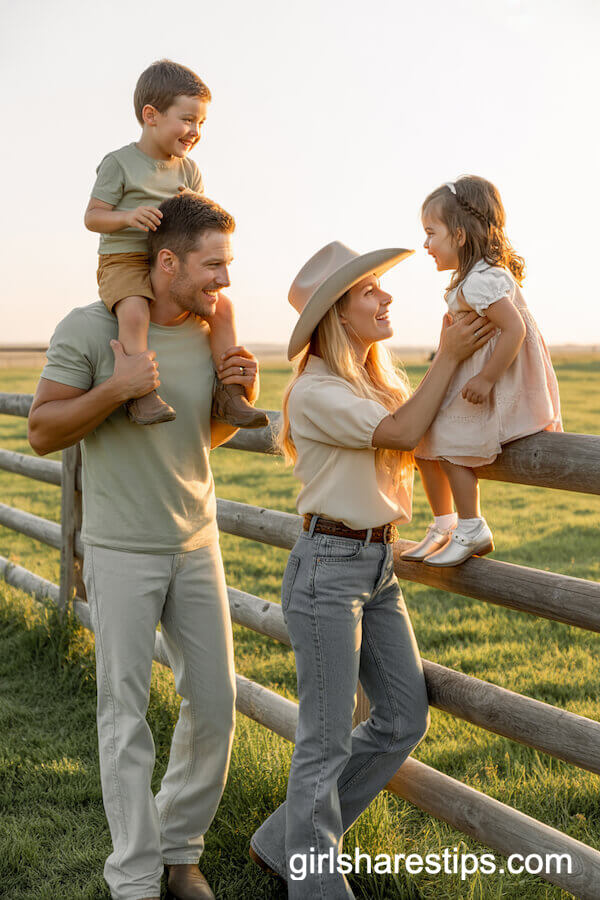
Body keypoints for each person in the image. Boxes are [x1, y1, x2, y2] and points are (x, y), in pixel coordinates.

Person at [28, 192, 262, 900]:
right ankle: (133, 877)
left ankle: (178, 850)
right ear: (166, 262)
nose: (224, 279)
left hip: (196, 542)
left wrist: (233, 398)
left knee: (215, 702)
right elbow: (42, 429)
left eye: (228, 263)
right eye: (213, 264)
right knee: (123, 717)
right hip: (120, 548)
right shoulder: (90, 328)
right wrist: (114, 389)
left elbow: (196, 440)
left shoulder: (209, 333)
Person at [249, 240, 496, 898]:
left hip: (376, 563)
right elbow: (402, 433)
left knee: (403, 716)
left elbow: (428, 428)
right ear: (338, 312)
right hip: (329, 566)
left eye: (382, 287)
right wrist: (448, 356)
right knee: (326, 739)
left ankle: (283, 843)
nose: (386, 297)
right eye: (370, 291)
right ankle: (315, 881)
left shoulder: (371, 381)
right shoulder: (317, 391)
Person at [84, 57, 268, 429]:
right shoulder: (119, 164)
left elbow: (200, 222)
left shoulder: (190, 170)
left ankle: (229, 393)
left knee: (224, 310)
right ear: (151, 115)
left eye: (201, 122)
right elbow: (93, 216)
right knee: (135, 311)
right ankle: (142, 394)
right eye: (187, 120)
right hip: (124, 260)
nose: (195, 130)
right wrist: (127, 217)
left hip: (171, 265)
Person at [402, 176, 562, 567]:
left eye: (430, 233)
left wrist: (487, 378)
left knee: (453, 444)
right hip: (478, 378)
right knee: (424, 443)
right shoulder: (473, 280)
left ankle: (472, 526)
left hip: (495, 383)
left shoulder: (481, 282)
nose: (425, 245)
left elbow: (515, 329)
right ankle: (445, 522)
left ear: (458, 235)